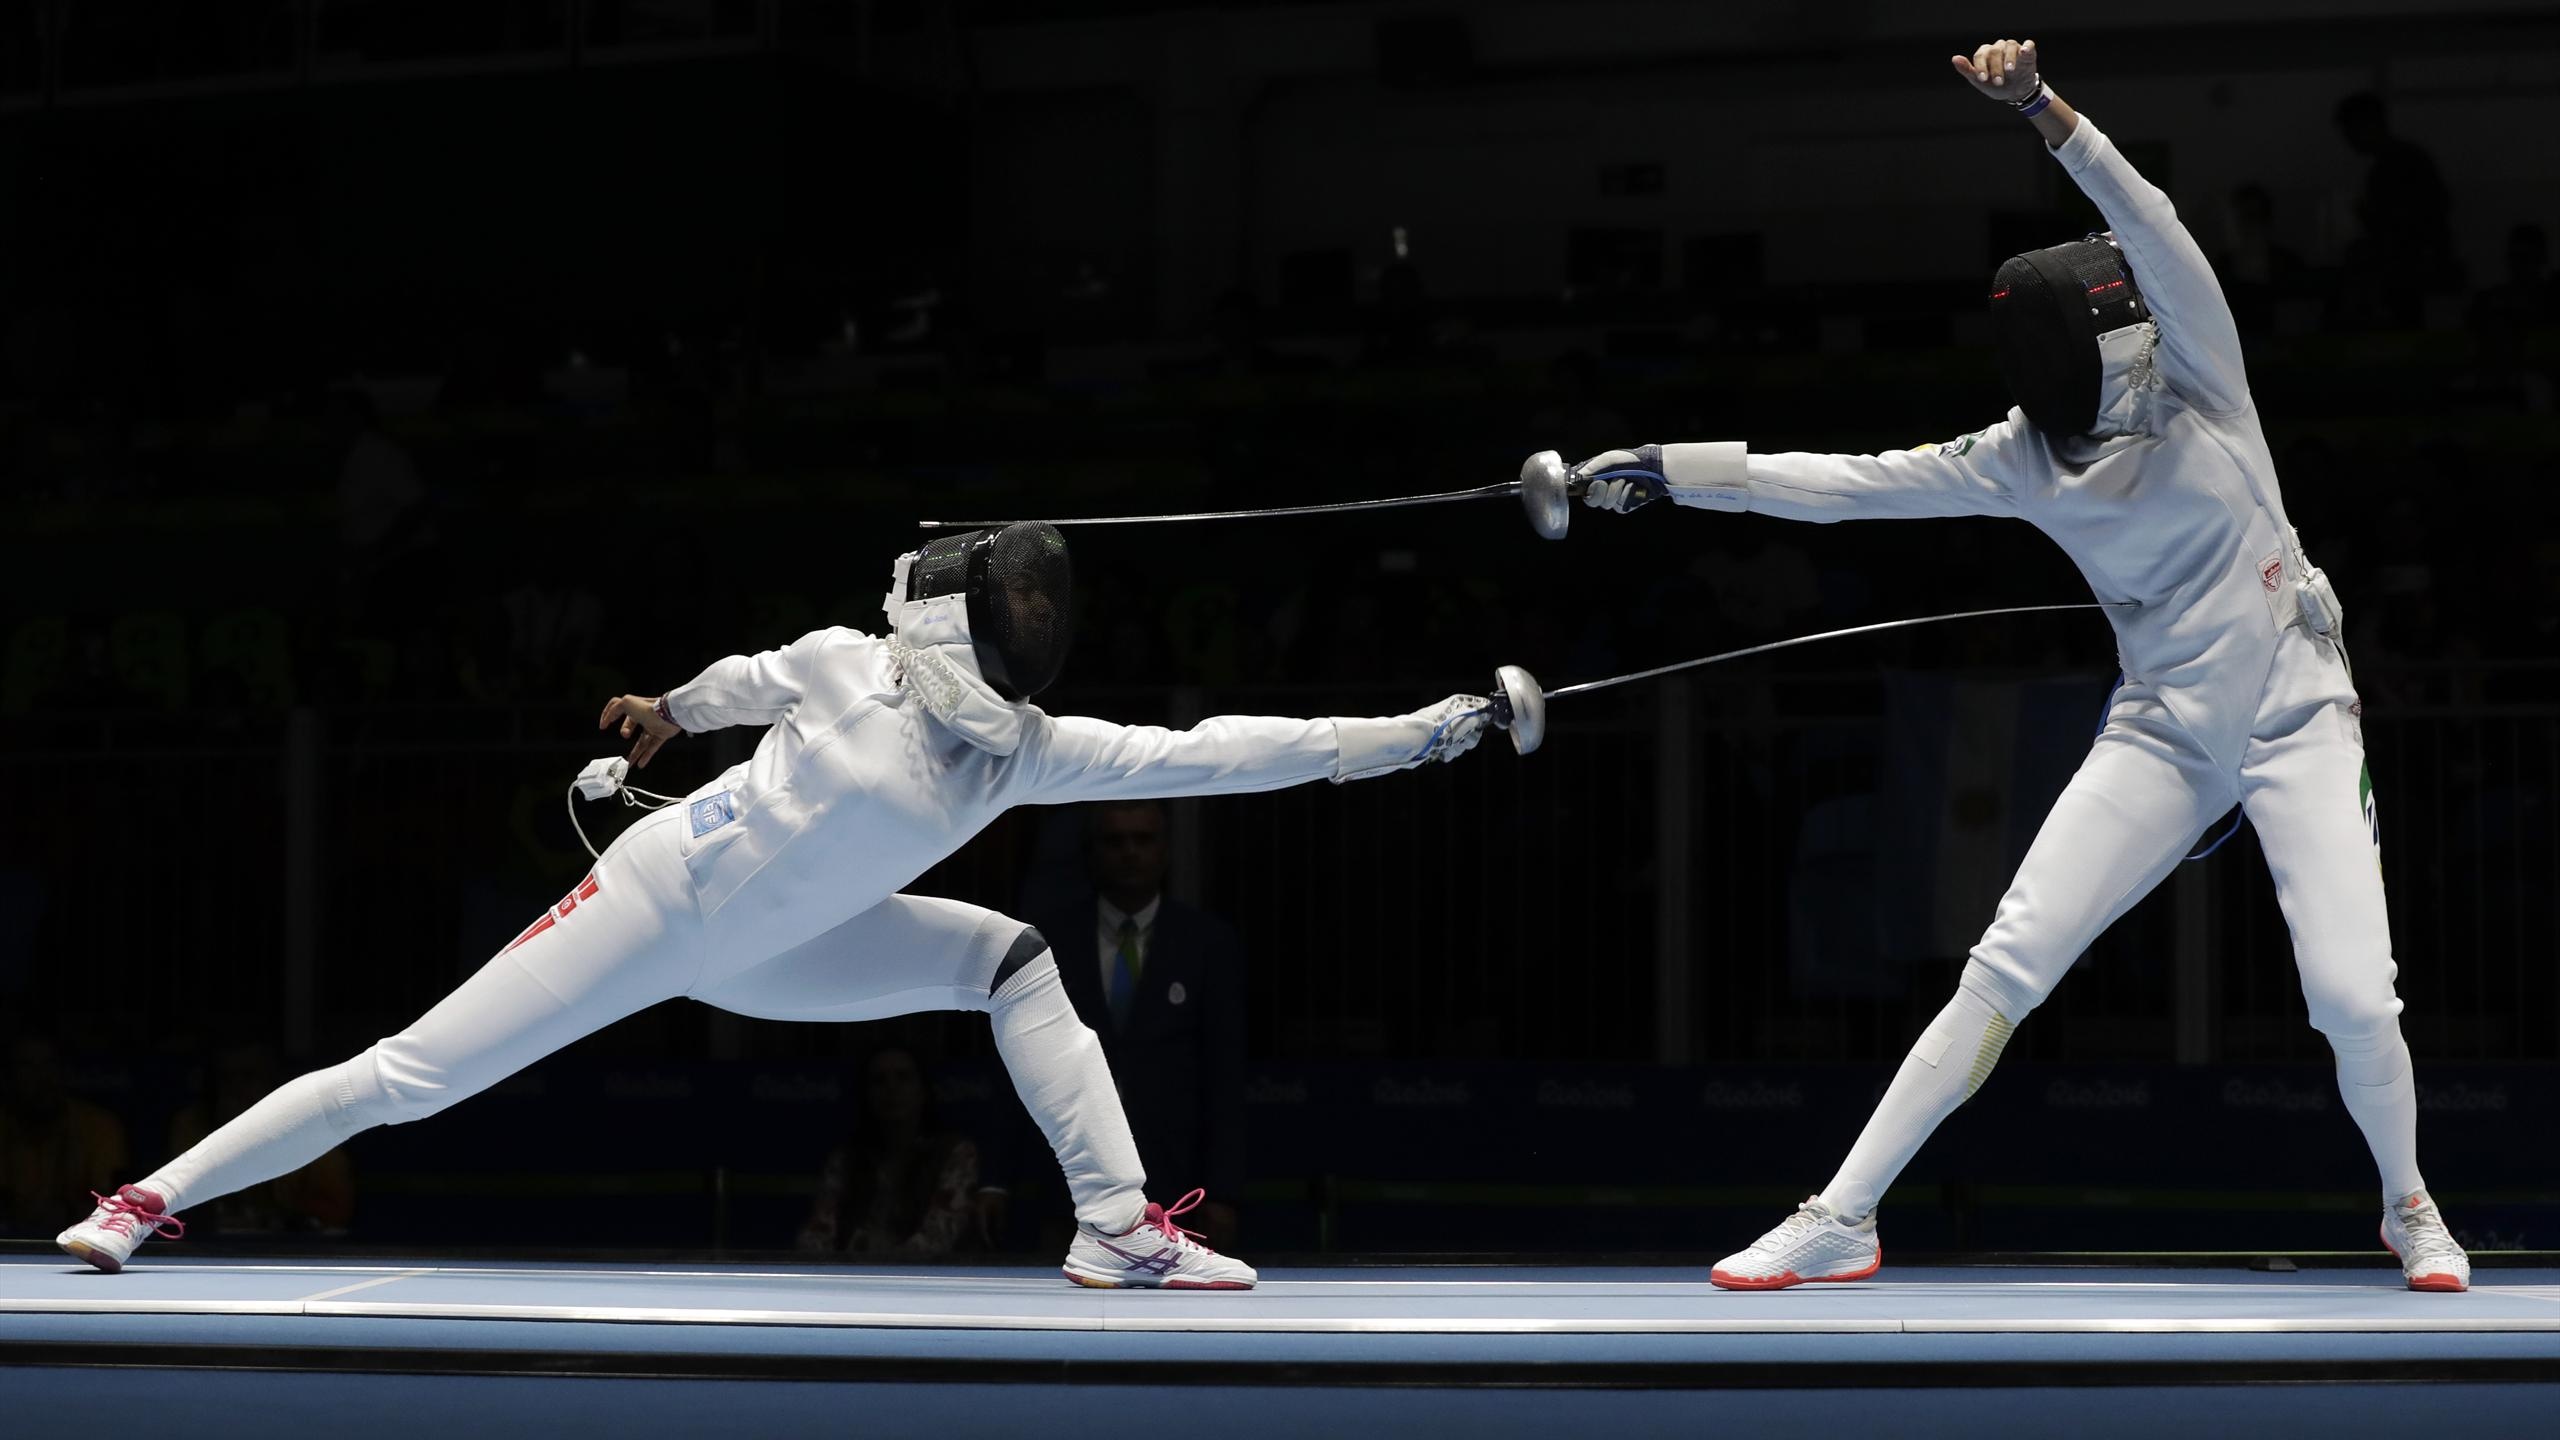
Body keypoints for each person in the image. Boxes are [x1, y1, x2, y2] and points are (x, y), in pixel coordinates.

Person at [1560, 38, 2467, 1293]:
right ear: (2071, 369)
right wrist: (1672, 469)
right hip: (2162, 730)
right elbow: (1842, 489)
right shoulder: (2021, 459)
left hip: (2301, 717)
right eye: (2117, 327)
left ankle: (2408, 1200)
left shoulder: (2205, 378)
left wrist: (2043, 111)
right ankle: (1841, 1214)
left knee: (2354, 1002)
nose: (2141, 325)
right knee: (2007, 962)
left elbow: (2142, 220)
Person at [59, 522, 1499, 1288]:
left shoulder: (1024, 753)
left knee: (1010, 958)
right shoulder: (843, 660)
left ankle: (1117, 1224)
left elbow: (1240, 752)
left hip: (790, 954)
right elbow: (751, 672)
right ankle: (144, 1200)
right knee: (411, 1079)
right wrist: (668, 711)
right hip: (653, 902)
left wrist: (1420, 731)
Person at [1033, 799, 1248, 1251]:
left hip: (1177, 1174)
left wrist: (1223, 1191)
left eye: (1143, 839)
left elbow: (1225, 1077)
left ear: (1165, 850)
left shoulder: (1207, 944)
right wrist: (998, 1181)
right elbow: (1026, 1065)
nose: (1130, 852)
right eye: (1115, 841)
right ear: (1091, 852)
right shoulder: (1050, 940)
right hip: (1069, 1178)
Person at [797, 1046, 981, 1259]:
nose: (891, 1088)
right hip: (849, 1279)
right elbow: (817, 1234)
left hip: (929, 1282)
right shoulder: (846, 1160)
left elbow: (938, 1238)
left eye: (903, 1077)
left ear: (923, 1091)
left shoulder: (956, 1154)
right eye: (879, 1080)